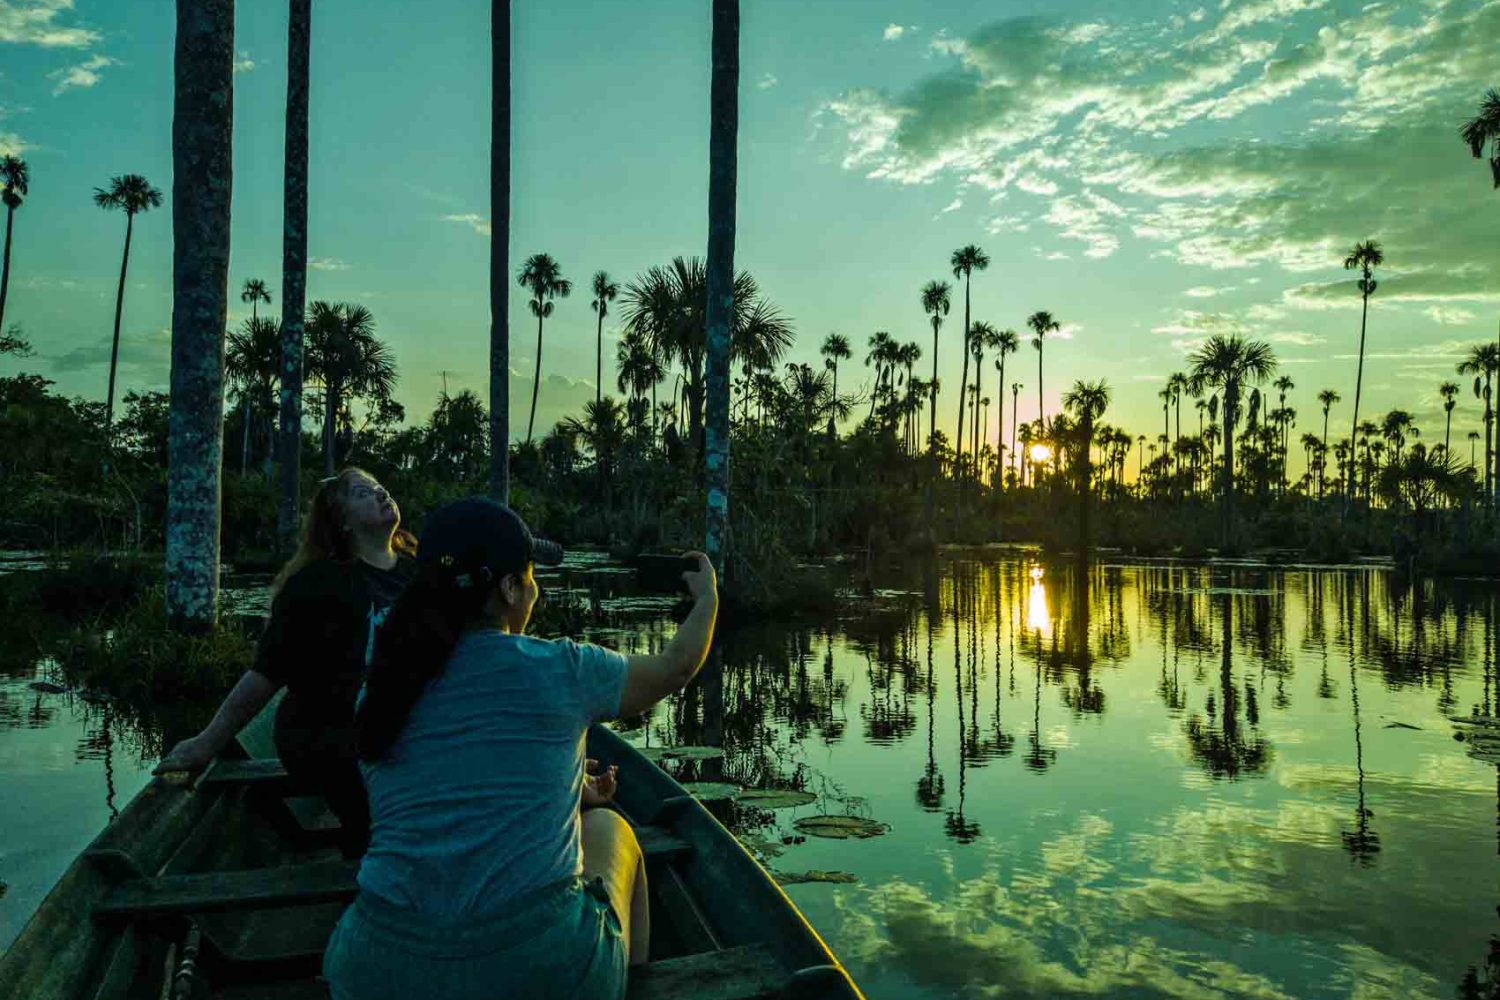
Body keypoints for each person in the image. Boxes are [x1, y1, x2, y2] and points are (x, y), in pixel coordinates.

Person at [322, 497, 718, 1000]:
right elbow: (675, 668)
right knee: (611, 828)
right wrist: (707, 600)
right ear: (508, 588)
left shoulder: (384, 688)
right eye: (531, 578)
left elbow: (451, 786)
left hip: (378, 969)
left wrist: (570, 789)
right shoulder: (560, 669)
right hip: (536, 970)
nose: (536, 591)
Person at [155, 468, 417, 857]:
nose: (381, 495)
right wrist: (206, 743)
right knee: (388, 810)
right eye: (363, 493)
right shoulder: (317, 585)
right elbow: (267, 674)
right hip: (328, 736)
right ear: (342, 521)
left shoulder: (418, 575)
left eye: (381, 489)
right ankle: (369, 865)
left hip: (396, 726)